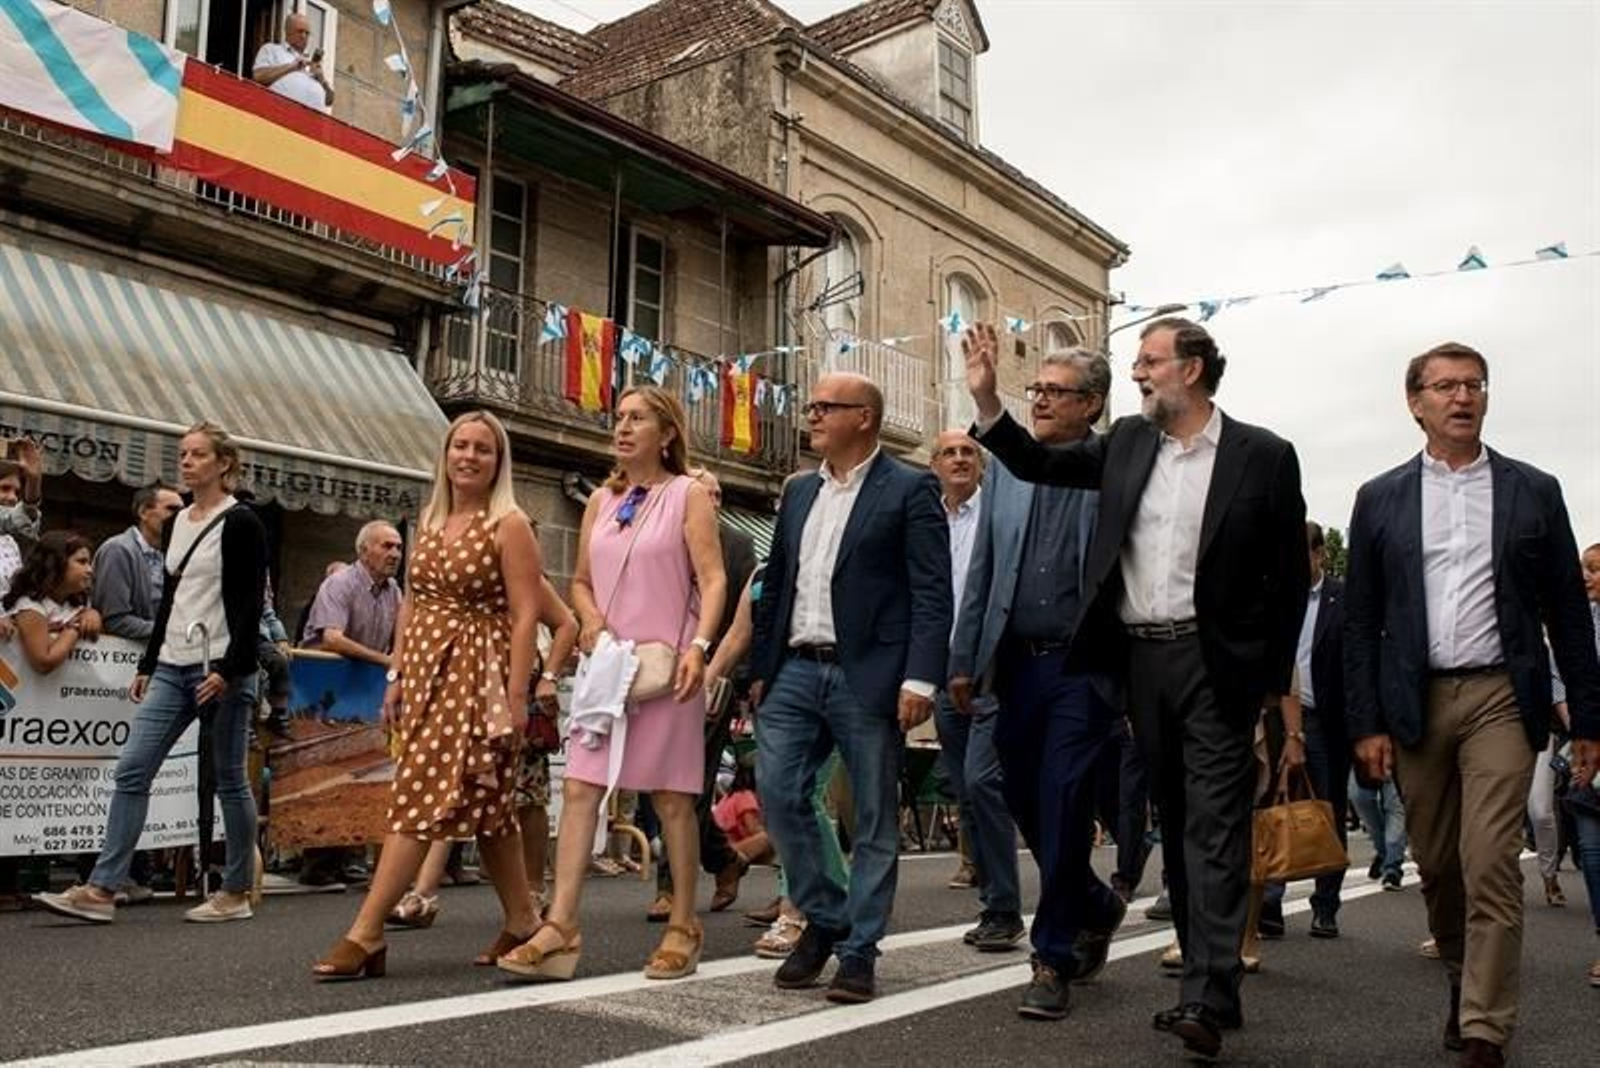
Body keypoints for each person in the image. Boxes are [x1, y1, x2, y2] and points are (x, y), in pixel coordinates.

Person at [966, 317, 1308, 1059]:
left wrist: (1265, 680)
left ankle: (1206, 996)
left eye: (1149, 362)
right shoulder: (1127, 444)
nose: (1140, 373)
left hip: (1215, 665)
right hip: (1140, 663)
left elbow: (1288, 583)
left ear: (1190, 370)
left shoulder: (1263, 456)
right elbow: (1038, 462)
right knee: (1180, 823)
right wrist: (989, 402)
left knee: (1214, 826)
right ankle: (1210, 972)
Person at [1344, 342, 1600, 1067]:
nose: (1463, 397)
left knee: (1489, 858)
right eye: (1446, 386)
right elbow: (1360, 619)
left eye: (1475, 385)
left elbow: (1567, 617)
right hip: (1415, 699)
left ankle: (1486, 1025)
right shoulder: (1380, 498)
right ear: (1415, 402)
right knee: (1438, 860)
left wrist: (1588, 717)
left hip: (1500, 695)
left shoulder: (1533, 490)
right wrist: (1365, 721)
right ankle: (1463, 971)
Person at [500, 386, 726, 983]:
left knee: (672, 799)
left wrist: (699, 650)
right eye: (619, 418)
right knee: (579, 788)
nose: (623, 428)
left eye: (638, 419)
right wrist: (592, 621)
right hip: (609, 666)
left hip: (667, 666)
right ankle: (561, 927)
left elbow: (714, 578)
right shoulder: (601, 499)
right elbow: (577, 581)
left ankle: (684, 924)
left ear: (667, 432)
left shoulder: (689, 495)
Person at [312, 411, 543, 979]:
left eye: (482, 449)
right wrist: (396, 675)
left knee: (418, 794)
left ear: (498, 461)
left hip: (478, 674)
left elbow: (526, 614)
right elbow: (413, 603)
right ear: (445, 455)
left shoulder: (509, 523)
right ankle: (523, 921)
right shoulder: (431, 517)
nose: (468, 456)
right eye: (459, 446)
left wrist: (517, 695)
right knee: (488, 809)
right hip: (426, 672)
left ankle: (366, 932)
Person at [749, 372, 952, 1004]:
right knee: (777, 794)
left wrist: (920, 677)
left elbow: (931, 591)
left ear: (863, 417)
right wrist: (760, 667)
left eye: (823, 407)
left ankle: (858, 951)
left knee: (870, 818)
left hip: (869, 674)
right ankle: (827, 916)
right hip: (794, 668)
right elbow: (777, 583)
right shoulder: (799, 491)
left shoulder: (911, 488)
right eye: (809, 405)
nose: (809, 416)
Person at [950, 348, 1133, 1019]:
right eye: (1037, 389)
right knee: (1020, 797)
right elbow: (983, 571)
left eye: (1058, 391)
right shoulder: (1006, 472)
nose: (1043, 400)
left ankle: (1050, 956)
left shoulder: (1114, 466)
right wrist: (964, 660)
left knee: (1060, 802)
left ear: (1093, 404)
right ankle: (1093, 902)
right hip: (1015, 664)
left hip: (1082, 669)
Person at [36, 421, 269, 925]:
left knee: (230, 778)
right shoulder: (180, 520)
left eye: (197, 454)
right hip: (172, 664)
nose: (186, 461)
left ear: (223, 464)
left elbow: (250, 604)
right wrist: (147, 661)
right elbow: (172, 597)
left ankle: (234, 892)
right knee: (133, 768)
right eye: (183, 453)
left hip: (222, 666)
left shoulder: (243, 522)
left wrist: (229, 670)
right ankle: (102, 888)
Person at [389, 572, 578, 928]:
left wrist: (548, 678)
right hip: (471, 691)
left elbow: (567, 624)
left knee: (524, 800)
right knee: (455, 791)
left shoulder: (524, 572)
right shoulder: (457, 575)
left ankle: (533, 894)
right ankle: (425, 893)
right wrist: (400, 672)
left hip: (520, 693)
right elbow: (411, 609)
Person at [648, 466, 758, 922]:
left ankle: (672, 888)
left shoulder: (737, 545)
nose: (707, 500)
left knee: (688, 781)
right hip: (658, 672)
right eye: (700, 492)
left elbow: (743, 619)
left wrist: (737, 679)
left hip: (712, 678)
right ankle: (724, 858)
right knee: (657, 784)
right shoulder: (663, 539)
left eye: (714, 494)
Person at [930, 429, 1025, 952]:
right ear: (934, 465)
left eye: (969, 452)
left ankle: (1008, 905)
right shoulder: (927, 520)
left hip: (994, 669)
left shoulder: (1000, 513)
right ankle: (996, 905)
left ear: (983, 465)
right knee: (968, 792)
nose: (961, 459)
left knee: (984, 780)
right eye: (950, 453)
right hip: (944, 670)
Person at [1260, 521, 1352, 939]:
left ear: (1320, 555)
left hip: (1326, 717)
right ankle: (1270, 901)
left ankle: (1326, 904)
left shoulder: (1342, 599)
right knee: (1274, 802)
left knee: (1323, 807)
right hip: (1275, 715)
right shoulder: (1271, 597)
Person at [300, 522, 403, 663]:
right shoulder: (339, 583)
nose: (395, 554)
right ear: (364, 551)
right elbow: (332, 639)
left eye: (399, 548)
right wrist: (383, 660)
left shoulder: (393, 591)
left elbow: (403, 637)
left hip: (368, 676)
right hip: (324, 674)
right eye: (387, 546)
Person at [92, 483, 184, 641]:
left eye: (183, 512)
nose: (181, 517)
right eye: (172, 509)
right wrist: (174, 633)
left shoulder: (173, 556)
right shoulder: (118, 549)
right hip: (122, 659)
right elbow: (115, 620)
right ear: (144, 512)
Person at [3, 531, 102, 672]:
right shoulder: (29, 606)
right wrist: (75, 628)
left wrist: (92, 614)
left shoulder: (78, 602)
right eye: (81, 562)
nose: (90, 570)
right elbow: (43, 662)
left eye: (89, 563)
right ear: (56, 563)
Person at [252, 12, 333, 112]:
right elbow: (258, 76)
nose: (304, 36)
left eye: (307, 33)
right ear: (287, 31)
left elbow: (329, 101)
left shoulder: (312, 64)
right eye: (300, 31)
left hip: (312, 124)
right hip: (279, 116)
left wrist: (322, 80)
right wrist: (291, 67)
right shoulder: (272, 49)